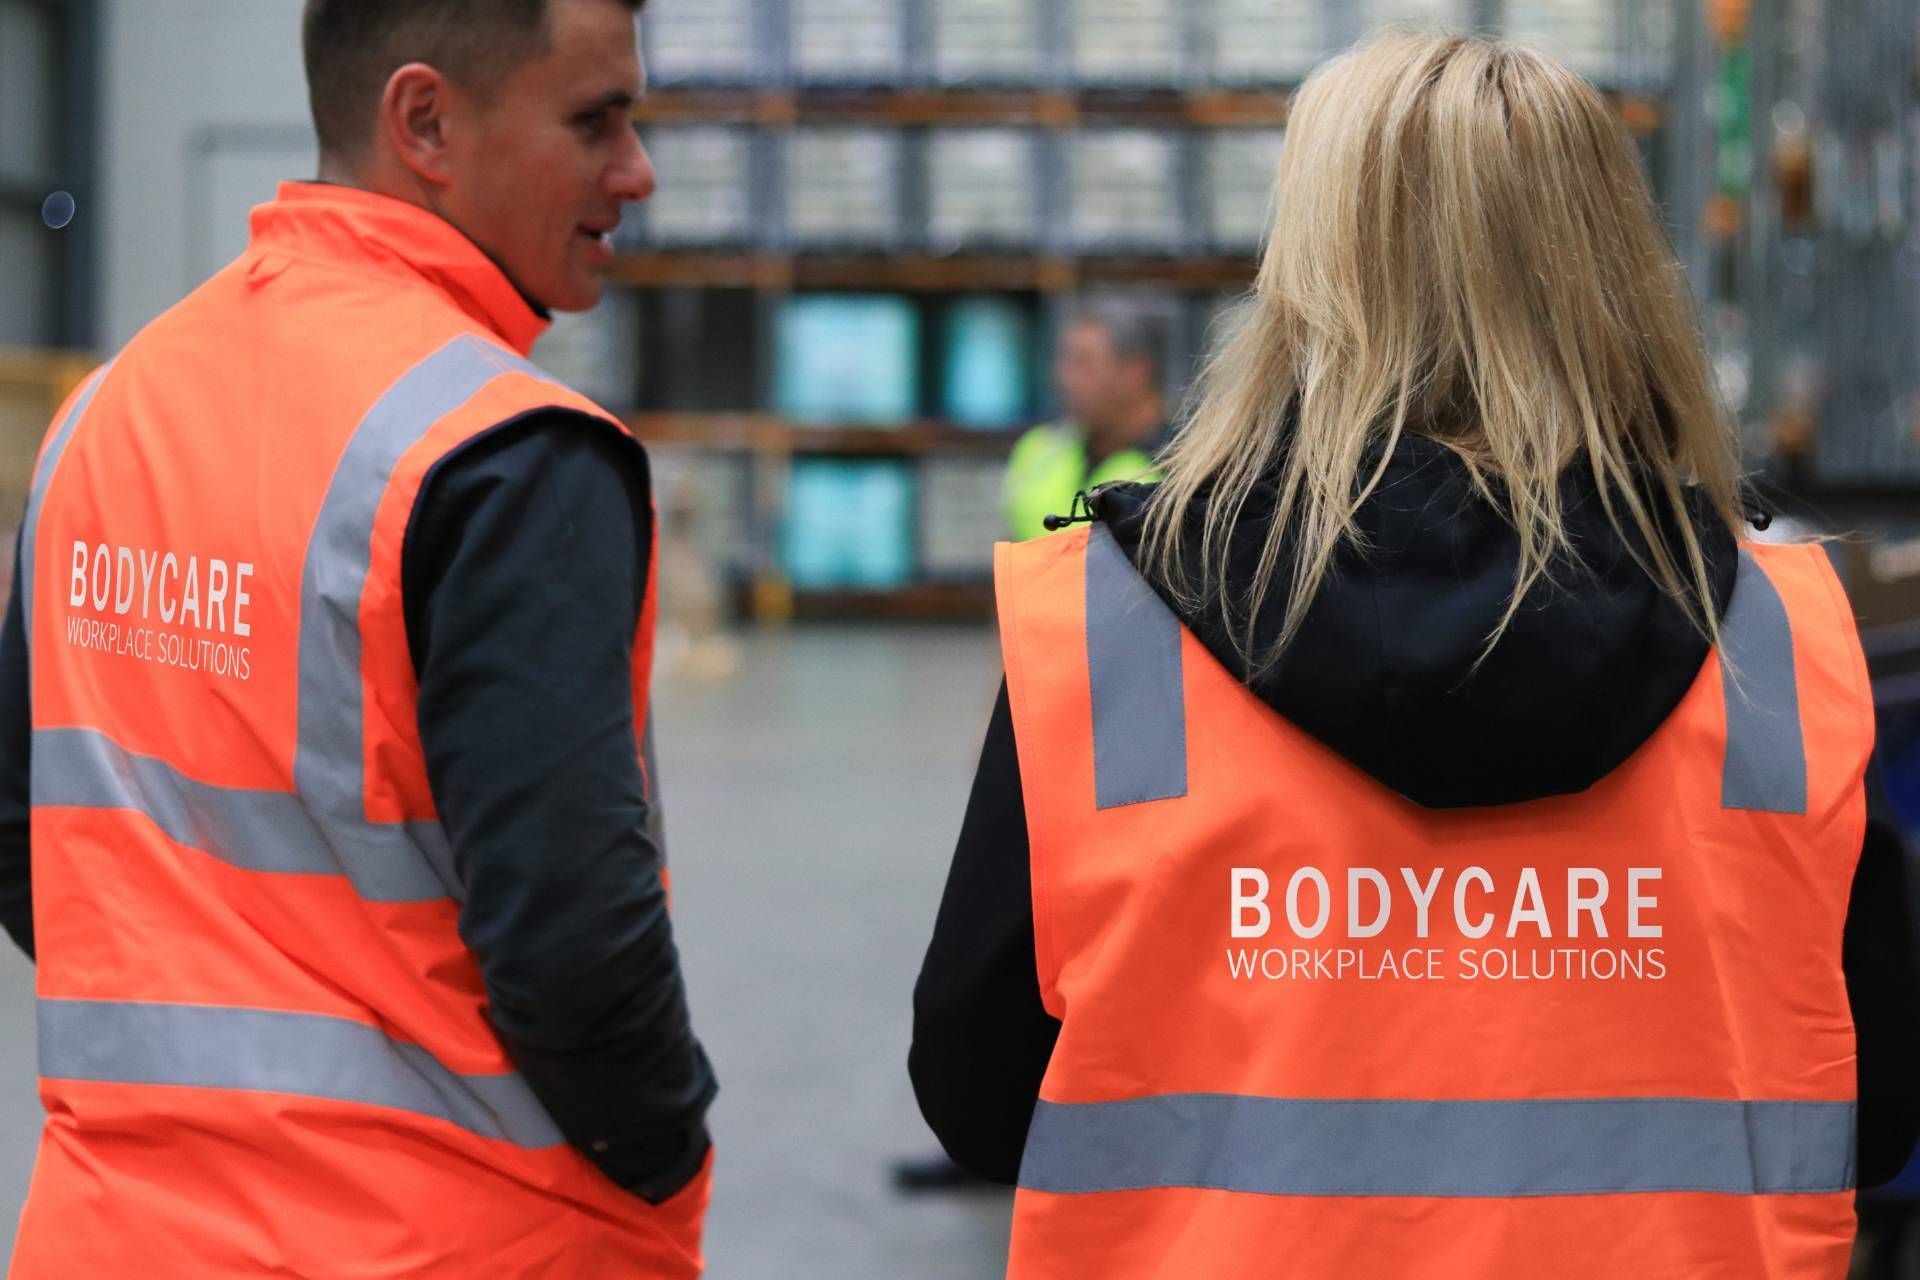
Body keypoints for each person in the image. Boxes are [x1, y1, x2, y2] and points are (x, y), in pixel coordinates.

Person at [912, 32, 1920, 1279]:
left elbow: (973, 1091)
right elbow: (1875, 1112)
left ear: (1305, 272)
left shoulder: (1108, 629)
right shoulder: (1783, 645)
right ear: (1613, 272)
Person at [0, 1, 717, 1275]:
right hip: (445, 1237)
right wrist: (668, 1156)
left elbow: (22, 828)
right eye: (594, 119)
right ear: (426, 121)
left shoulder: (107, 413)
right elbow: (575, 950)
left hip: (114, 1231)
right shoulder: (504, 456)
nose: (636, 169)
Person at [1002, 300, 1168, 542]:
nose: (1065, 379)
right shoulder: (1039, 449)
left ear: (1135, 372)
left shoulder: (1180, 466)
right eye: (1066, 363)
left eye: (1084, 364)